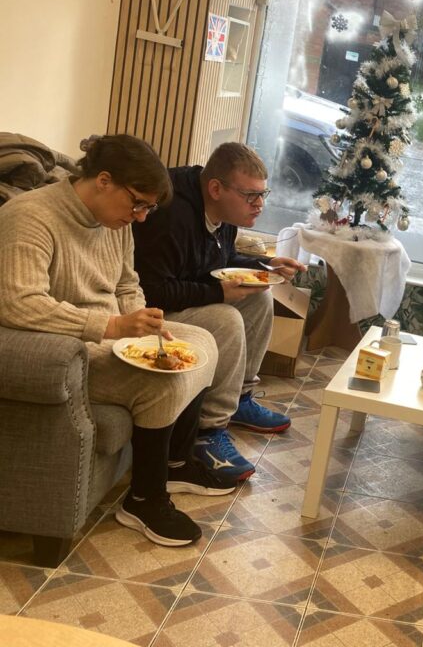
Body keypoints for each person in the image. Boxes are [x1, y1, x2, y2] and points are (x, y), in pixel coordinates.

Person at [0, 134, 237, 547]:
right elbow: (20, 304)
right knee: (161, 379)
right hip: (69, 345)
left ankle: (176, 462)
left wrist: (144, 323)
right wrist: (111, 328)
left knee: (202, 341)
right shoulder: (30, 217)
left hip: (112, 333)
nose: (142, 217)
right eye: (138, 203)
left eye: (148, 207)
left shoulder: (114, 222)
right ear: (104, 180)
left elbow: (128, 283)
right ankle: (145, 499)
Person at [132, 143, 306, 481]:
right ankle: (207, 432)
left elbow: (216, 261)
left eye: (262, 194)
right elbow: (151, 291)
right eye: (251, 196)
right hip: (149, 311)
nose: (260, 205)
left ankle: (240, 397)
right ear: (216, 188)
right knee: (226, 318)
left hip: (178, 295)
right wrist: (217, 293)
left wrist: (264, 264)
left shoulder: (221, 212)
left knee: (258, 296)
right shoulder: (170, 216)